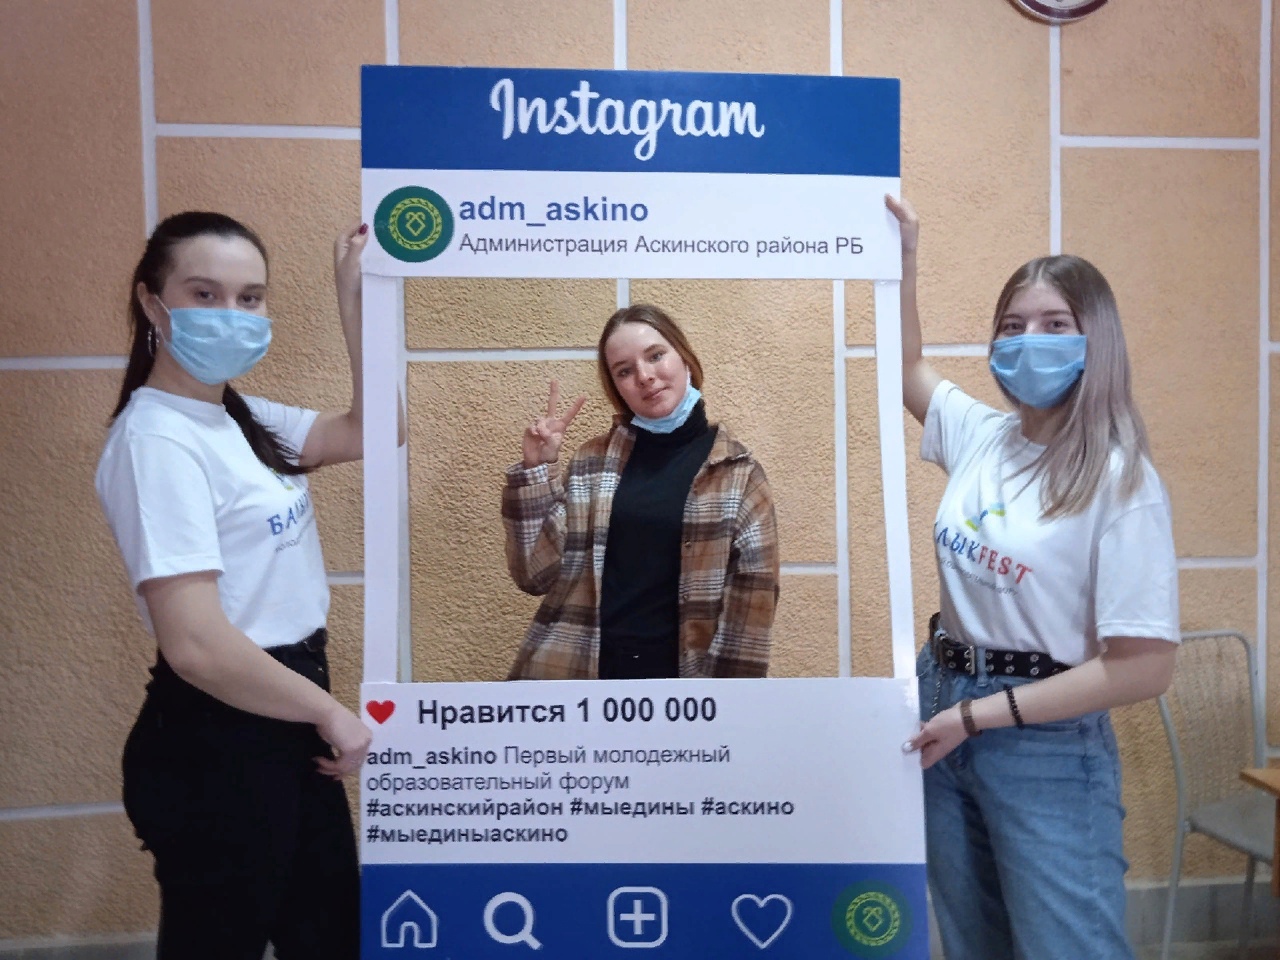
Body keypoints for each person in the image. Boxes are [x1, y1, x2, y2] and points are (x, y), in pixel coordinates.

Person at [95, 211, 404, 959]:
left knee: (330, 935)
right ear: (152, 303)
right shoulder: (156, 440)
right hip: (219, 735)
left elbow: (378, 429)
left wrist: (352, 296)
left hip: (285, 712)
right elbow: (196, 644)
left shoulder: (239, 416)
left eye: (250, 298)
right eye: (204, 294)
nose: (231, 315)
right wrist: (328, 713)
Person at [888, 196, 1179, 960]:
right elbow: (906, 367)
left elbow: (1144, 667)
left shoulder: (1120, 480)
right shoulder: (982, 436)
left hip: (1043, 741)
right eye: (1012, 326)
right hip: (942, 705)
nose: (1028, 341)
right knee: (973, 941)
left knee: (1065, 947)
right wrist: (904, 258)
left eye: (1054, 325)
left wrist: (982, 716)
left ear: (1095, 341)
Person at [502, 303, 779, 680]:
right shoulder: (591, 463)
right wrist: (537, 469)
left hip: (683, 695)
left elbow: (749, 622)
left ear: (685, 358)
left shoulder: (739, 475)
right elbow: (534, 575)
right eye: (625, 371)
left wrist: (721, 707)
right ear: (616, 388)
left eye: (655, 356)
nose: (645, 377)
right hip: (579, 682)